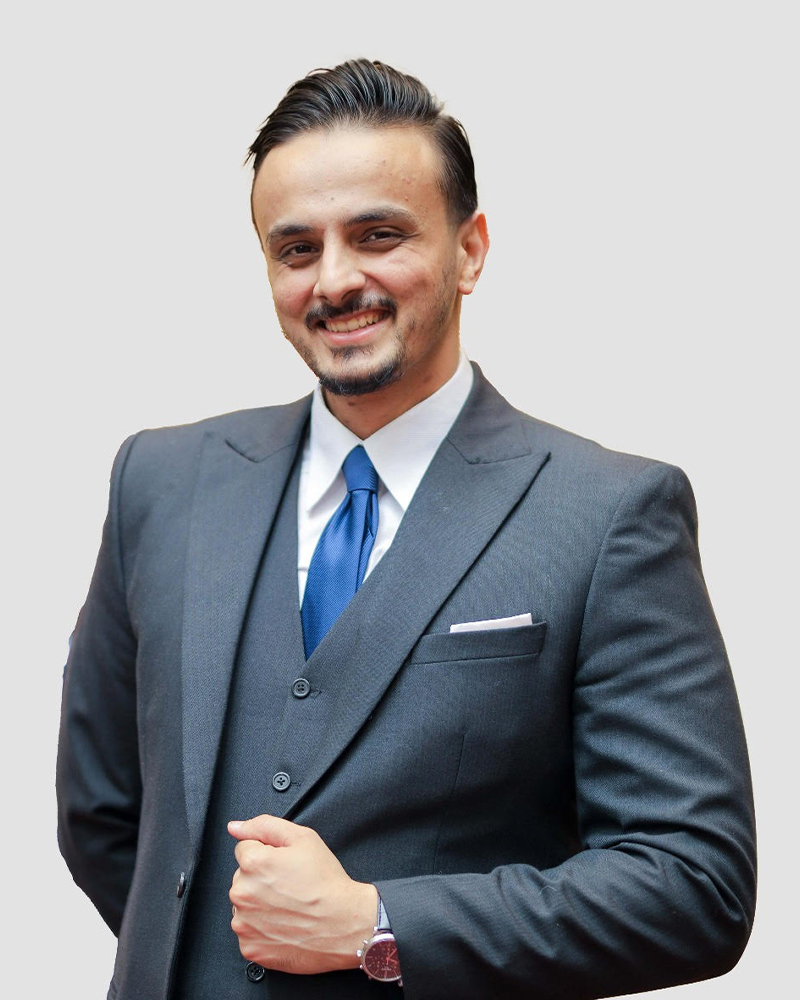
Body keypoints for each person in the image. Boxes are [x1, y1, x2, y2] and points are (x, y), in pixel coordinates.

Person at [56, 59, 756, 1000]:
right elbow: (104, 817)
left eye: (378, 236)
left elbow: (693, 885)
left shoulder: (609, 513)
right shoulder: (160, 480)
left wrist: (376, 928)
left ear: (470, 250)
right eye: (295, 249)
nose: (335, 280)